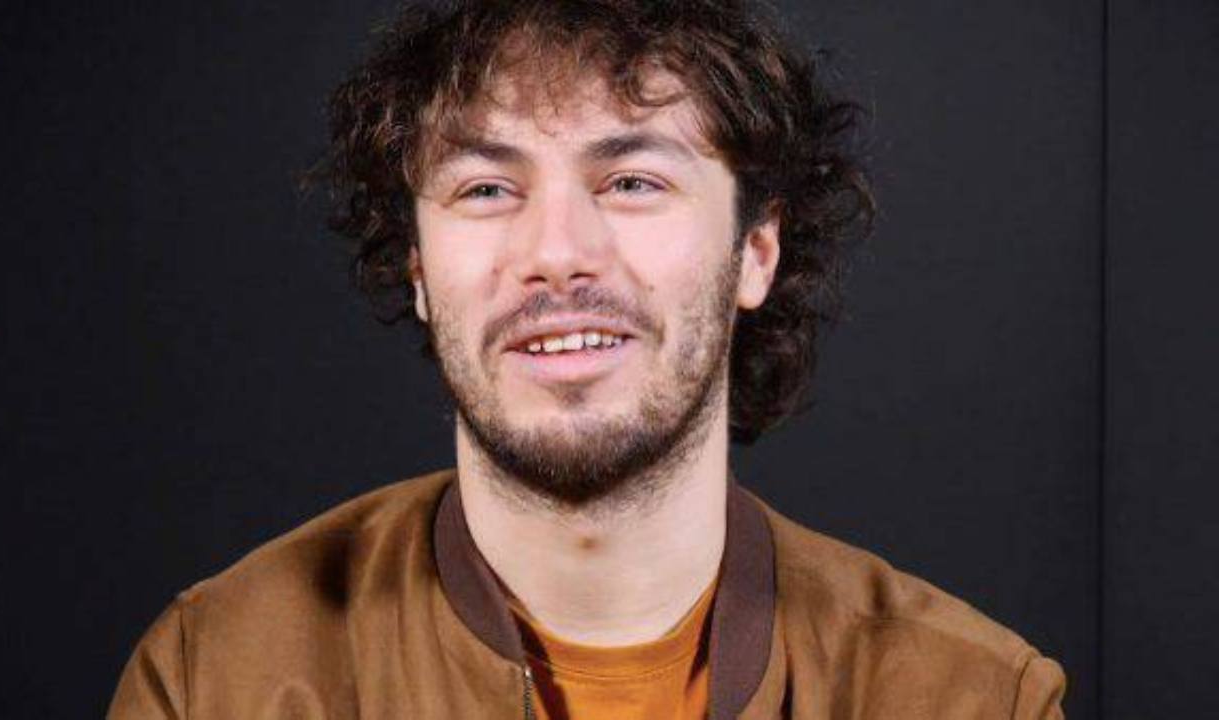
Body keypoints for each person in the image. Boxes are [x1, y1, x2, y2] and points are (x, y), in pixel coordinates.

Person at [108, 1, 1067, 717]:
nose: (557, 252)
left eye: (632, 180)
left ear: (755, 250)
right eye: (486, 189)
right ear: (418, 269)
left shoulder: (973, 697)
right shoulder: (215, 678)